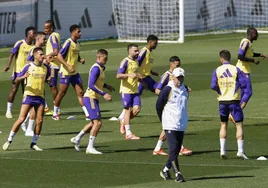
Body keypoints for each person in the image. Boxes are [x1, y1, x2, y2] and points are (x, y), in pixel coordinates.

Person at [2, 47, 51, 151]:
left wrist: (48, 80)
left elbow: (47, 79)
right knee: (21, 119)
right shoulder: (28, 67)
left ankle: (34, 143)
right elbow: (15, 80)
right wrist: (22, 77)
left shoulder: (46, 68)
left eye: (43, 54)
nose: (43, 56)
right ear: (35, 55)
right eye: (41, 54)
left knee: (40, 120)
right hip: (29, 96)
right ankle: (9, 140)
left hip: (40, 97)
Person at [70, 49, 114, 154]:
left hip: (93, 98)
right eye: (105, 58)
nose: (106, 60)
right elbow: (91, 85)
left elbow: (97, 82)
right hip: (90, 98)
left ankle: (77, 138)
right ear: (99, 57)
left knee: (92, 123)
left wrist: (106, 86)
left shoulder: (101, 68)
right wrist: (104, 94)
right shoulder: (96, 68)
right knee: (98, 123)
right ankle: (90, 147)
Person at [211, 50, 250, 160]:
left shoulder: (217, 70)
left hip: (222, 101)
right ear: (229, 58)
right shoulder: (236, 69)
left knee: (223, 124)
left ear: (221, 59)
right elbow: (243, 84)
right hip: (234, 101)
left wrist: (220, 91)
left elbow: (213, 85)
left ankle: (222, 151)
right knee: (239, 125)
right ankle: (240, 152)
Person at [118, 35, 158, 134]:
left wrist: (151, 72)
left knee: (135, 107)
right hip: (141, 79)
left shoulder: (149, 53)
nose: (156, 44)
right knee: (158, 91)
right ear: (150, 42)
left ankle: (123, 119)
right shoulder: (143, 51)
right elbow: (137, 64)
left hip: (144, 78)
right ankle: (123, 120)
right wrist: (136, 75)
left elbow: (141, 66)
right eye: (155, 42)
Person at [153, 56, 192, 156]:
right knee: (171, 128)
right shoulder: (167, 75)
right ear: (171, 64)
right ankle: (180, 148)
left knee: (169, 129)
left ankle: (158, 149)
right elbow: (157, 90)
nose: (178, 67)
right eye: (176, 65)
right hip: (168, 106)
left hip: (175, 107)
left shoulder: (178, 76)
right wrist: (168, 96)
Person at [157, 67, 188, 182]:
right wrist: (163, 120)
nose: (179, 80)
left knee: (176, 149)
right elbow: (158, 105)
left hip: (181, 123)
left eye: (181, 77)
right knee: (173, 148)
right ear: (173, 77)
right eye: (178, 77)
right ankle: (177, 174)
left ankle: (165, 170)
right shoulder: (167, 89)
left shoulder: (185, 89)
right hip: (170, 123)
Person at [52, 24, 86, 120]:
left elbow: (76, 55)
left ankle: (87, 114)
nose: (80, 33)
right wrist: (68, 66)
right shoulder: (68, 42)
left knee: (80, 92)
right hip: (66, 72)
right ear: (72, 32)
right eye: (78, 31)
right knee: (61, 93)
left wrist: (80, 60)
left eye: (80, 31)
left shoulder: (77, 44)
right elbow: (59, 56)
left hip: (74, 73)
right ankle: (55, 113)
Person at [4, 26, 36, 119]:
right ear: (28, 34)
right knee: (14, 90)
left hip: (28, 72)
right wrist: (8, 65)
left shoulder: (34, 47)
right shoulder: (20, 43)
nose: (34, 35)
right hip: (17, 71)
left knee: (26, 92)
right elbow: (11, 54)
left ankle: (28, 111)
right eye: (33, 33)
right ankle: (8, 110)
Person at [21, 31, 47, 136]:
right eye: (44, 39)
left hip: (39, 80)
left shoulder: (41, 52)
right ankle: (29, 129)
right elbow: (28, 63)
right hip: (32, 81)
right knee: (34, 106)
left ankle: (27, 124)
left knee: (36, 106)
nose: (45, 41)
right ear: (38, 39)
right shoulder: (33, 50)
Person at [236, 27, 266, 111]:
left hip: (243, 69)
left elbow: (250, 54)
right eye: (255, 33)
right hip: (242, 70)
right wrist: (253, 61)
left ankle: (235, 113)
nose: (257, 35)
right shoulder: (246, 42)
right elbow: (240, 56)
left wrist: (260, 55)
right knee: (248, 92)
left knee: (243, 93)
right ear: (251, 34)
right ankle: (237, 113)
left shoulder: (248, 43)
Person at [116, 44, 142, 140]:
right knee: (128, 110)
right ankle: (128, 133)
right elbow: (118, 75)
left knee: (137, 109)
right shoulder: (125, 62)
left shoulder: (136, 62)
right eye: (135, 51)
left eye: (137, 50)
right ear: (129, 51)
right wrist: (128, 75)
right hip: (126, 90)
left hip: (135, 90)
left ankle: (123, 121)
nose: (137, 52)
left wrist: (141, 79)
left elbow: (136, 73)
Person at [43, 20, 61, 115]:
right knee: (49, 84)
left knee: (53, 86)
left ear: (52, 28)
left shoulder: (53, 36)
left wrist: (46, 56)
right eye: (44, 28)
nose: (45, 30)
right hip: (52, 65)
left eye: (46, 28)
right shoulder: (54, 35)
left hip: (53, 65)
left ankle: (56, 109)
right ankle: (48, 107)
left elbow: (56, 51)